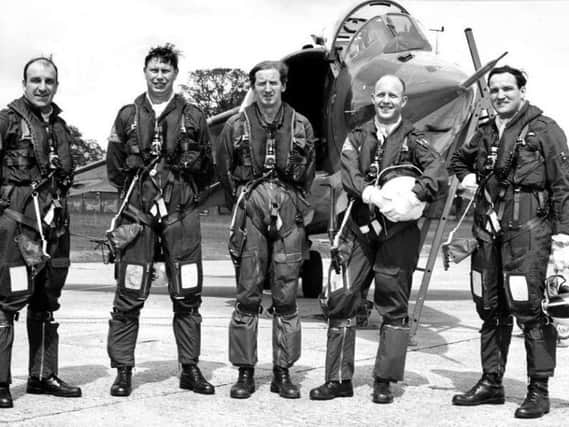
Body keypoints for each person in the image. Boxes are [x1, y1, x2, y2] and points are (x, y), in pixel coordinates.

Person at [309, 75, 446, 404]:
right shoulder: (357, 136)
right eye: (381, 94)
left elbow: (437, 171)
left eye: (392, 95)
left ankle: (384, 380)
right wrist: (371, 193)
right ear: (375, 99)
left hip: (398, 234)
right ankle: (338, 379)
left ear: (403, 102)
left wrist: (414, 195)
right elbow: (350, 172)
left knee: (394, 306)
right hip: (359, 228)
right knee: (342, 300)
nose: (385, 100)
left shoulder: (415, 138)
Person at [450, 65, 569, 419]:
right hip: (488, 229)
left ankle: (539, 390)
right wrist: (469, 177)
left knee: (529, 309)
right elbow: (457, 160)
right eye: (495, 90)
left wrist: (563, 236)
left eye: (507, 88)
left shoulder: (545, 130)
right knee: (489, 307)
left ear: (521, 90)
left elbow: (563, 184)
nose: (501, 95)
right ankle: (491, 382)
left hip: (528, 231)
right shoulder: (485, 132)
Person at [105, 44, 215, 397]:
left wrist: (180, 193)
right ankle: (123, 370)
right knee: (129, 292)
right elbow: (114, 166)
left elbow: (208, 168)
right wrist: (139, 196)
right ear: (145, 72)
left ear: (174, 75)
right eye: (154, 70)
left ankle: (189, 368)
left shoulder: (194, 117)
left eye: (165, 70)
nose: (159, 76)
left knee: (187, 294)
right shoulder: (127, 116)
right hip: (138, 216)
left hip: (180, 216)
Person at [218, 60, 315, 399]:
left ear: (283, 86)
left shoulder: (301, 126)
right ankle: (245, 372)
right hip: (251, 215)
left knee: (287, 297)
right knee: (247, 294)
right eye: (261, 83)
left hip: (289, 215)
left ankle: (282, 372)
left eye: (273, 83)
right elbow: (224, 171)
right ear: (254, 87)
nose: (268, 89)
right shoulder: (235, 126)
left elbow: (308, 176)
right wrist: (248, 202)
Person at [0, 57, 82, 408]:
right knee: (6, 301)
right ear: (25, 83)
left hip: (55, 224)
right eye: (35, 80)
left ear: (56, 86)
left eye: (49, 81)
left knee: (46, 302)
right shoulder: (7, 120)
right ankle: (1, 382)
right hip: (19, 224)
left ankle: (42, 375)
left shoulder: (61, 127)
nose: (42, 87)